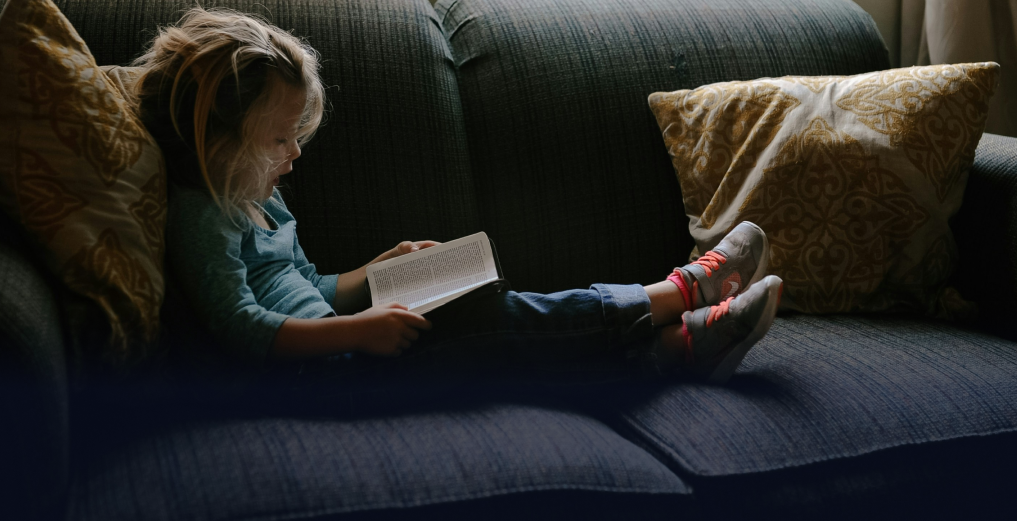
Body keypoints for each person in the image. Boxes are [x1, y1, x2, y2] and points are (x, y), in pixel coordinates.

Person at [138, 8, 782, 395]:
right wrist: (359, 332)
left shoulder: (260, 200)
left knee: (488, 315)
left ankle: (681, 348)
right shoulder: (201, 218)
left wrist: (377, 271)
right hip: (324, 377)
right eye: (278, 139)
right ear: (216, 139)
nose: (294, 156)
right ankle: (682, 291)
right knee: (490, 322)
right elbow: (245, 327)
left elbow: (308, 284)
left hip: (343, 346)